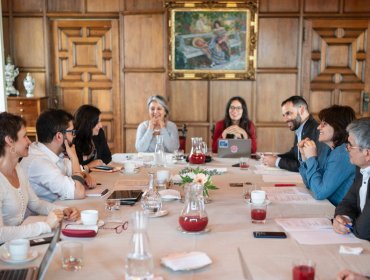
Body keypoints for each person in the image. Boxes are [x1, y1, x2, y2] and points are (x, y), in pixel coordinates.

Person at [0, 112, 79, 243]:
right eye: (24, 136)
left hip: (18, 244)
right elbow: (1, 234)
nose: (29, 142)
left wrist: (63, 210)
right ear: (9, 141)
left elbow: (35, 203)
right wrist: (45, 226)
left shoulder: (17, 169)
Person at [20, 109, 96, 202]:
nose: (74, 136)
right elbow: (79, 193)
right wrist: (74, 158)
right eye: (72, 132)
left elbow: (77, 171)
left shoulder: (51, 152)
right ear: (59, 136)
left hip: (57, 210)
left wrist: (83, 174)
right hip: (42, 215)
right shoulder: (39, 162)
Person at [298, 105, 356, 206]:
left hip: (339, 214)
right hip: (329, 207)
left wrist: (311, 158)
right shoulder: (330, 149)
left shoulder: (343, 153)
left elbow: (319, 193)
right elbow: (310, 184)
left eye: (324, 124)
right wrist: (305, 157)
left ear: (338, 127)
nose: (318, 127)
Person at [262, 95, 326, 172]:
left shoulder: (315, 130)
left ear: (301, 110)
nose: (285, 119)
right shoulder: (300, 127)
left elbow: (305, 165)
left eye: (288, 113)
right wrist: (276, 157)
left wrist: (277, 162)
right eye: (283, 115)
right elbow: (295, 153)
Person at [333, 117, 370, 241]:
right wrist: (343, 218)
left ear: (367, 153)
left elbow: (364, 231)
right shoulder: (361, 168)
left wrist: (349, 225)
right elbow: (348, 202)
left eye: (350, 145)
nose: (346, 148)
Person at [74, 104, 112, 171]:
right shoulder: (74, 139)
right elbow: (74, 170)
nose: (101, 125)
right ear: (87, 124)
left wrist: (97, 163)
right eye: (97, 122)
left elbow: (107, 157)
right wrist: (90, 165)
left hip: (97, 174)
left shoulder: (99, 133)